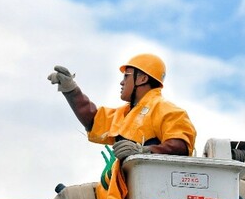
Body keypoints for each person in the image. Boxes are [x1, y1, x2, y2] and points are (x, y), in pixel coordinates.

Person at [48, 54, 196, 161]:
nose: (122, 82)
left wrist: (144, 151)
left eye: (126, 76)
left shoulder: (166, 109)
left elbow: (180, 147)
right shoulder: (127, 113)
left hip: (145, 188)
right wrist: (70, 89)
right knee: (66, 196)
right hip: (120, 189)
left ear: (142, 79)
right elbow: (93, 120)